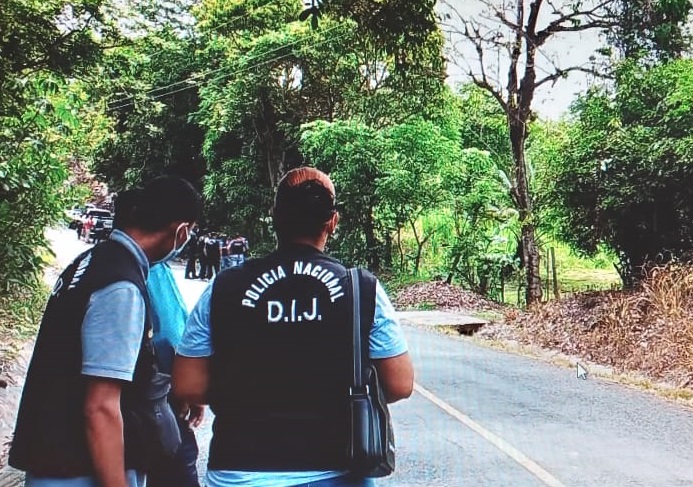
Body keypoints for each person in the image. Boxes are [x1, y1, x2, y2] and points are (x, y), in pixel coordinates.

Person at [173, 167, 414, 487]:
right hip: (335, 468)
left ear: (274, 217)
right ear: (332, 221)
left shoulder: (225, 286)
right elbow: (399, 384)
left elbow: (187, 385)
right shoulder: (360, 288)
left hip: (239, 468)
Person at [9, 176, 203, 487]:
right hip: (78, 468)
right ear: (180, 231)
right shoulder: (120, 286)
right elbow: (100, 406)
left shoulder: (90, 262)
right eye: (189, 232)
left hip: (54, 458)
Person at [146, 263, 203, 487]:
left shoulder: (97, 262)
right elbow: (173, 333)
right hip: (154, 398)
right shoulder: (152, 267)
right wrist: (189, 389)